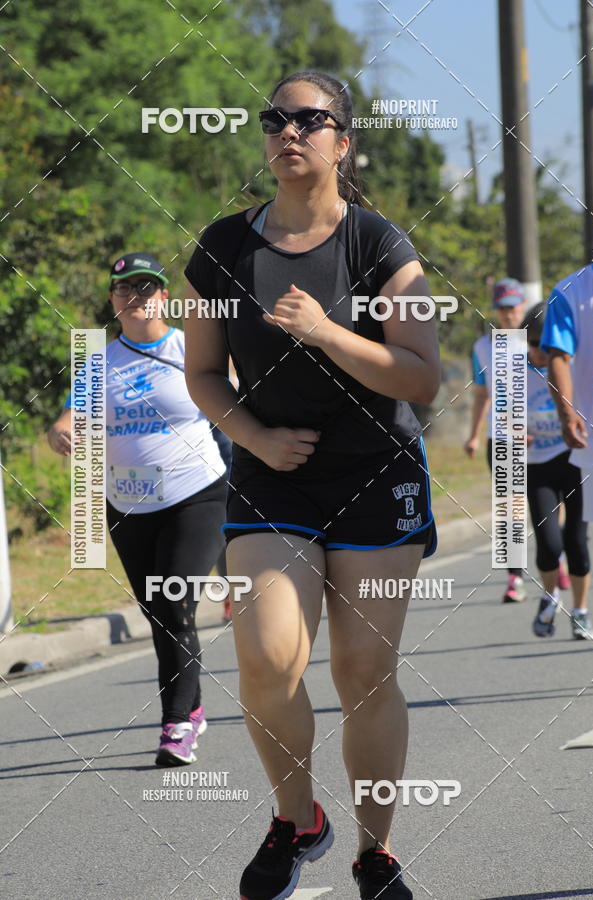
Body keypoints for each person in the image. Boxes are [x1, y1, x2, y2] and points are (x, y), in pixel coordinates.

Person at [183, 71, 440, 900]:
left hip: (375, 474)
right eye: (276, 120)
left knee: (364, 667)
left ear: (343, 140)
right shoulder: (221, 249)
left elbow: (421, 377)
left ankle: (376, 851)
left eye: (311, 119)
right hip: (272, 477)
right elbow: (202, 371)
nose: (289, 132)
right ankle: (299, 820)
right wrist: (252, 433)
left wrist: (327, 331)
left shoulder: (381, 247)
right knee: (265, 656)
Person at [47, 252, 228, 764]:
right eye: (125, 290)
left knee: (173, 604)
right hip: (127, 503)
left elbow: (243, 398)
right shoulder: (98, 362)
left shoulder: (191, 348)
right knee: (158, 613)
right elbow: (68, 417)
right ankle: (191, 706)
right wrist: (61, 431)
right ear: (113, 300)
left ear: (164, 297)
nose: (137, 298)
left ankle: (175, 725)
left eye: (147, 289)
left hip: (197, 494)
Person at [464, 278, 559, 603]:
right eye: (502, 308)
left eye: (514, 306)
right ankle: (514, 578)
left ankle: (553, 556)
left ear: (522, 306)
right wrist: (475, 435)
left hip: (544, 439)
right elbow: (482, 395)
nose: (508, 313)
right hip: (502, 439)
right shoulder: (482, 347)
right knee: (509, 509)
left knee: (543, 508)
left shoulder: (537, 342)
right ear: (496, 310)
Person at [521, 303, 593, 640]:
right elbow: (501, 418)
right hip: (538, 466)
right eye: (532, 344)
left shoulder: (573, 368)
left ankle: (580, 612)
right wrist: (514, 430)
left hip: (574, 462)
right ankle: (550, 597)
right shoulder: (514, 371)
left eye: (544, 345)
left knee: (577, 542)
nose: (538, 351)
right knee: (549, 544)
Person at [541, 252, 593, 640]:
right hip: (592, 440)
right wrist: (567, 413)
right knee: (558, 539)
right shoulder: (571, 291)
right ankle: (559, 600)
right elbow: (559, 356)